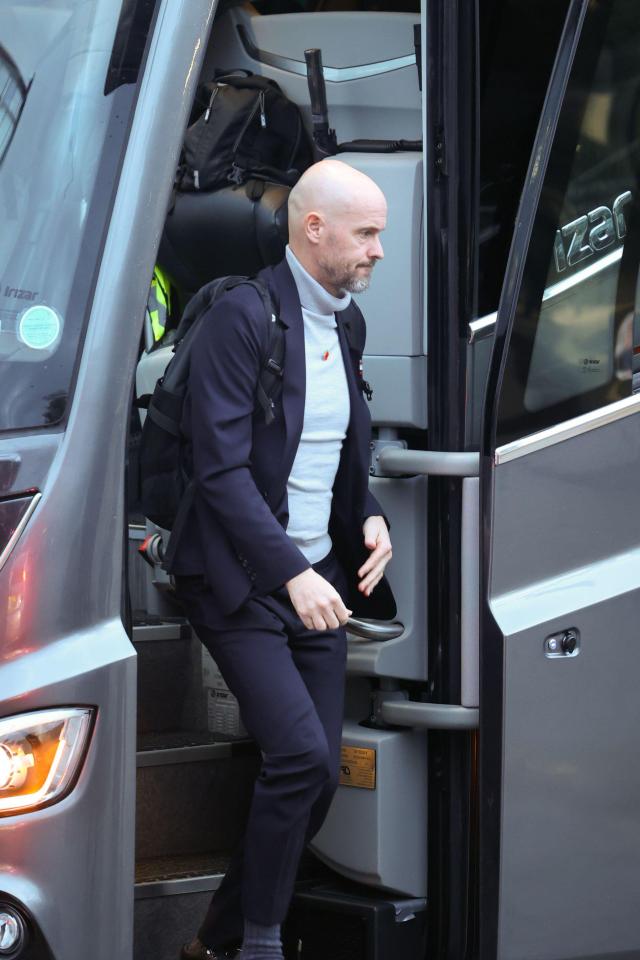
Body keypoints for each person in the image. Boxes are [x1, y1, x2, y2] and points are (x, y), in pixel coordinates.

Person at [169, 158, 396, 960]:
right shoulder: (245, 316)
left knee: (319, 774)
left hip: (316, 581)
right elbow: (219, 470)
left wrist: (368, 519)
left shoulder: (347, 325)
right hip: (240, 580)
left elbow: (336, 460)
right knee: (299, 755)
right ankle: (259, 945)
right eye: (366, 234)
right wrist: (291, 573)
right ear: (313, 228)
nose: (376, 251)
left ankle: (215, 940)